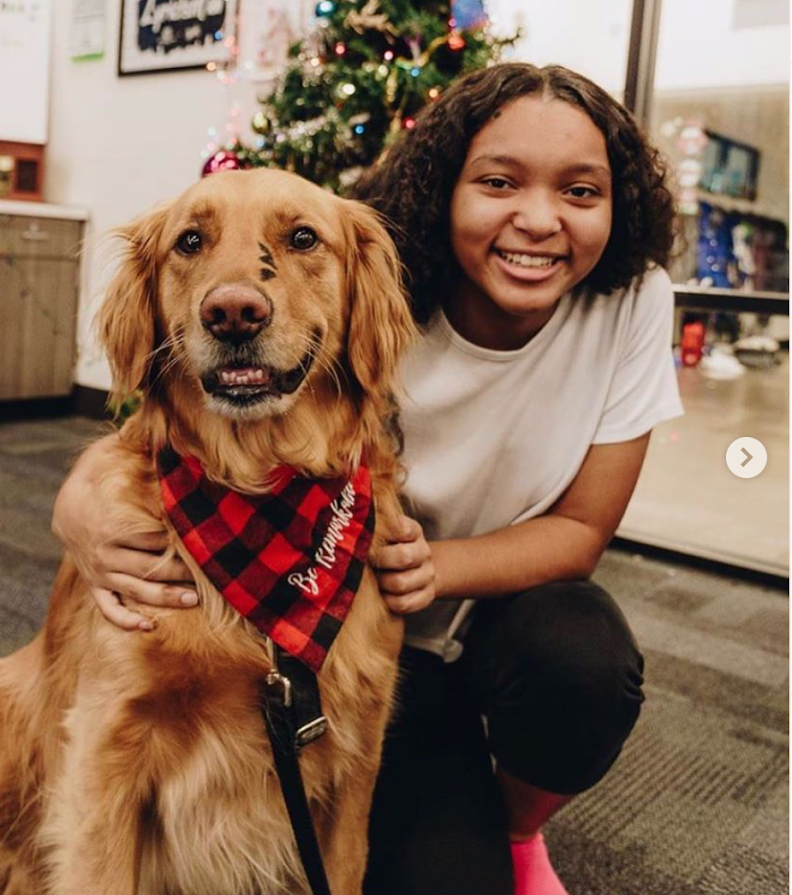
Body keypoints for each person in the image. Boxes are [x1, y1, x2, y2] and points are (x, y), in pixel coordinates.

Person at [52, 63, 682, 895]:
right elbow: (143, 425)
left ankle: (517, 827)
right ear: (448, 186)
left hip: (437, 612)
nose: (536, 218)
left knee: (582, 652)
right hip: (357, 605)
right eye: (498, 182)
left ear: (616, 204)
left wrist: (431, 569)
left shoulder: (624, 301)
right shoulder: (400, 270)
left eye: (580, 191)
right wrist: (77, 505)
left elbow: (585, 529)